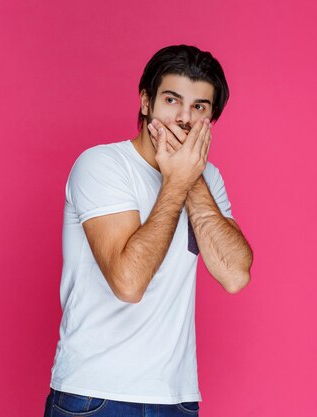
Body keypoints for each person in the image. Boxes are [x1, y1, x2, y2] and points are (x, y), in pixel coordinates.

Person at [44, 44, 253, 417]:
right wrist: (176, 183)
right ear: (146, 102)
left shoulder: (208, 179)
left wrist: (192, 181)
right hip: (96, 396)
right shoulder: (103, 165)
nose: (184, 118)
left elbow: (235, 275)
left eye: (200, 107)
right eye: (172, 99)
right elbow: (128, 283)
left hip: (176, 397)